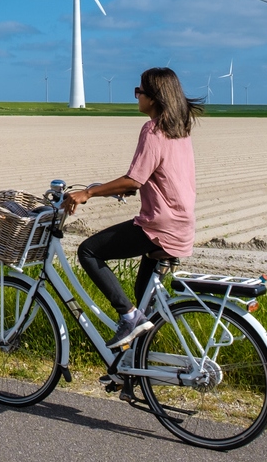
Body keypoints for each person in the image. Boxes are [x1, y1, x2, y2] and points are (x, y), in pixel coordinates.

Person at [63, 67, 203, 348]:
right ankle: (133, 372)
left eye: (139, 90)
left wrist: (88, 192)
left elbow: (135, 180)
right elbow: (147, 177)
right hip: (181, 225)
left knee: (88, 251)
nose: (136, 95)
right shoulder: (179, 129)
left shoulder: (153, 129)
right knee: (144, 299)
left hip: (158, 226)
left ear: (154, 97)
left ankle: (127, 316)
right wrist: (115, 189)